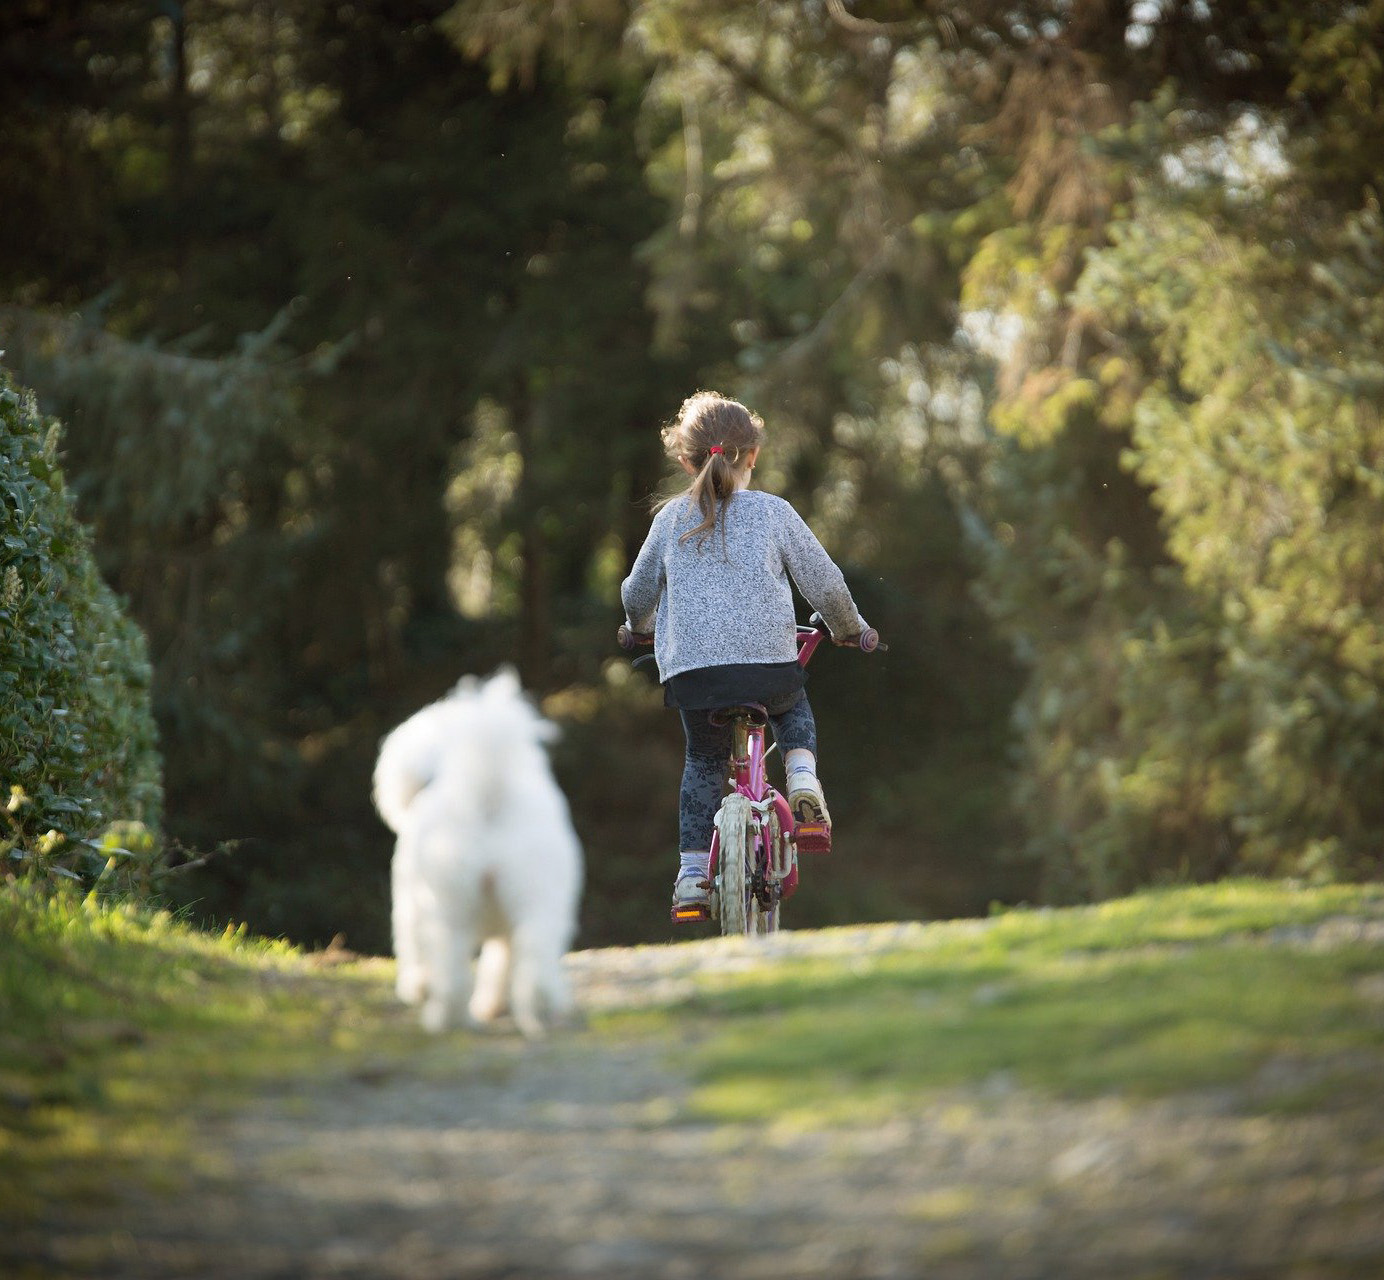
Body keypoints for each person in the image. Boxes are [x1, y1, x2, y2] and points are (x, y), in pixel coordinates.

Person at [620, 390, 869, 915]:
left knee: (704, 759)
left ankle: (691, 875)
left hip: (694, 676)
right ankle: (801, 777)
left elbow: (637, 592)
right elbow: (825, 583)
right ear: (752, 455)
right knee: (792, 707)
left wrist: (638, 627)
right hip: (768, 669)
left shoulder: (668, 521)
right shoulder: (774, 513)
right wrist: (851, 628)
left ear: (687, 460)